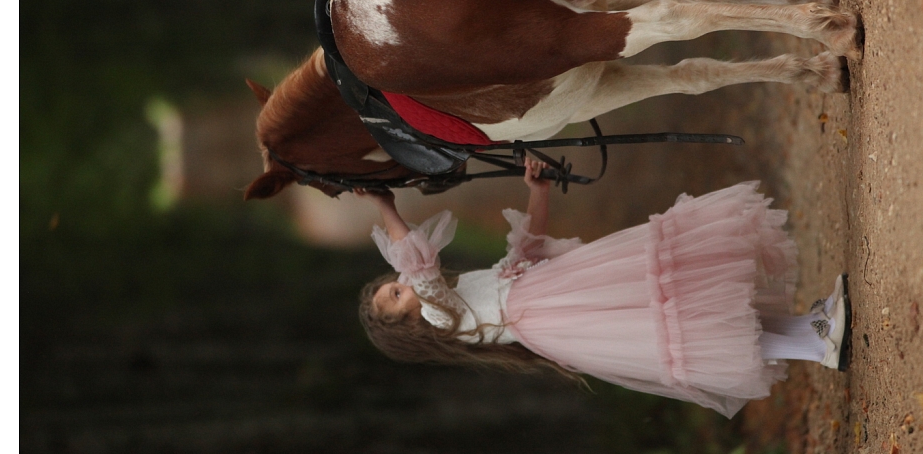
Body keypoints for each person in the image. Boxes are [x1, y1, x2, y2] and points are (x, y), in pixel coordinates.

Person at [356, 159, 849, 417]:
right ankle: (813, 344)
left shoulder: (459, 299)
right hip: (559, 313)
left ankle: (811, 330)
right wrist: (384, 206)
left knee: (685, 303)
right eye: (396, 296)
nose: (403, 284)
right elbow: (419, 266)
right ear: (411, 326)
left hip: (555, 294)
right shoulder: (441, 320)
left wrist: (537, 193)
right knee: (675, 322)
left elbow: (524, 253)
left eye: (393, 285)